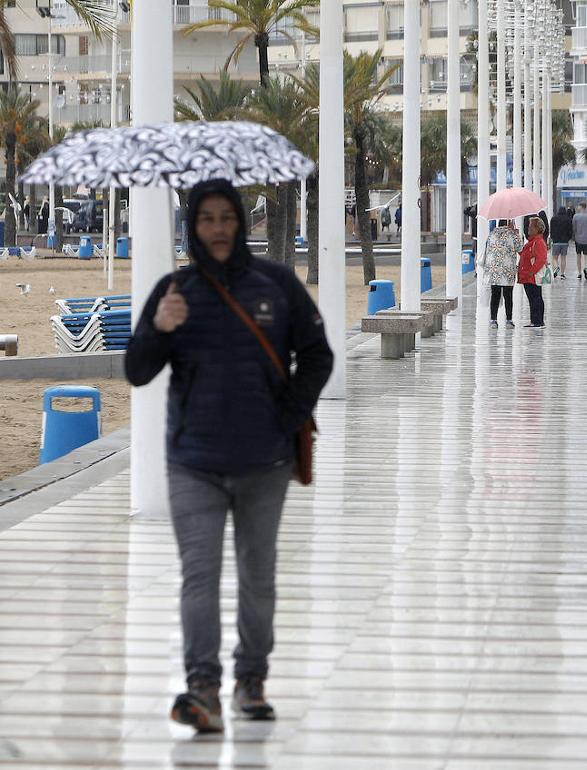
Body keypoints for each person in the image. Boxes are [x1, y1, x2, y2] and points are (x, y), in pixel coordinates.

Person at [124, 178, 333, 734]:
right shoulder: (175, 292)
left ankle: (251, 680)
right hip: (194, 462)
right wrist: (159, 330)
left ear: (241, 222)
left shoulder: (277, 285)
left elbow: (318, 356)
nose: (217, 228)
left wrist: (288, 413)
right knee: (199, 576)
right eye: (206, 219)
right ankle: (202, 687)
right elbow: (136, 370)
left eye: (226, 217)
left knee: (257, 576)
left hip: (266, 463)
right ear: (193, 228)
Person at [483, 219, 524, 328]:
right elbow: (521, 250)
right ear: (509, 224)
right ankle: (509, 320)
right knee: (508, 295)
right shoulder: (513, 235)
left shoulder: (491, 234)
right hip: (508, 270)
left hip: (493, 270)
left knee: (495, 295)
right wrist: (517, 234)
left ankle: (493, 320)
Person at [517, 217, 548, 328]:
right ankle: (534, 320)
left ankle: (538, 321)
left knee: (536, 297)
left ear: (537, 228)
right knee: (532, 298)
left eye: (531, 226)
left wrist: (532, 271)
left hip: (532, 276)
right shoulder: (532, 242)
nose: (528, 228)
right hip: (527, 275)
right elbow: (523, 253)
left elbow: (541, 259)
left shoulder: (538, 242)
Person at [549, 206, 575, 280]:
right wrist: (568, 238)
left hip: (556, 241)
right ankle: (562, 274)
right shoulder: (568, 219)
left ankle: (556, 267)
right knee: (563, 258)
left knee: (554, 257)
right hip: (565, 242)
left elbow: (551, 230)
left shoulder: (553, 219)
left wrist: (553, 238)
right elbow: (570, 231)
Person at [572, 203, 587, 281]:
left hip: (578, 239)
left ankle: (579, 273)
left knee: (578, 256)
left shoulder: (575, 216)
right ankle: (586, 269)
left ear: (580, 207)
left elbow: (573, 228)